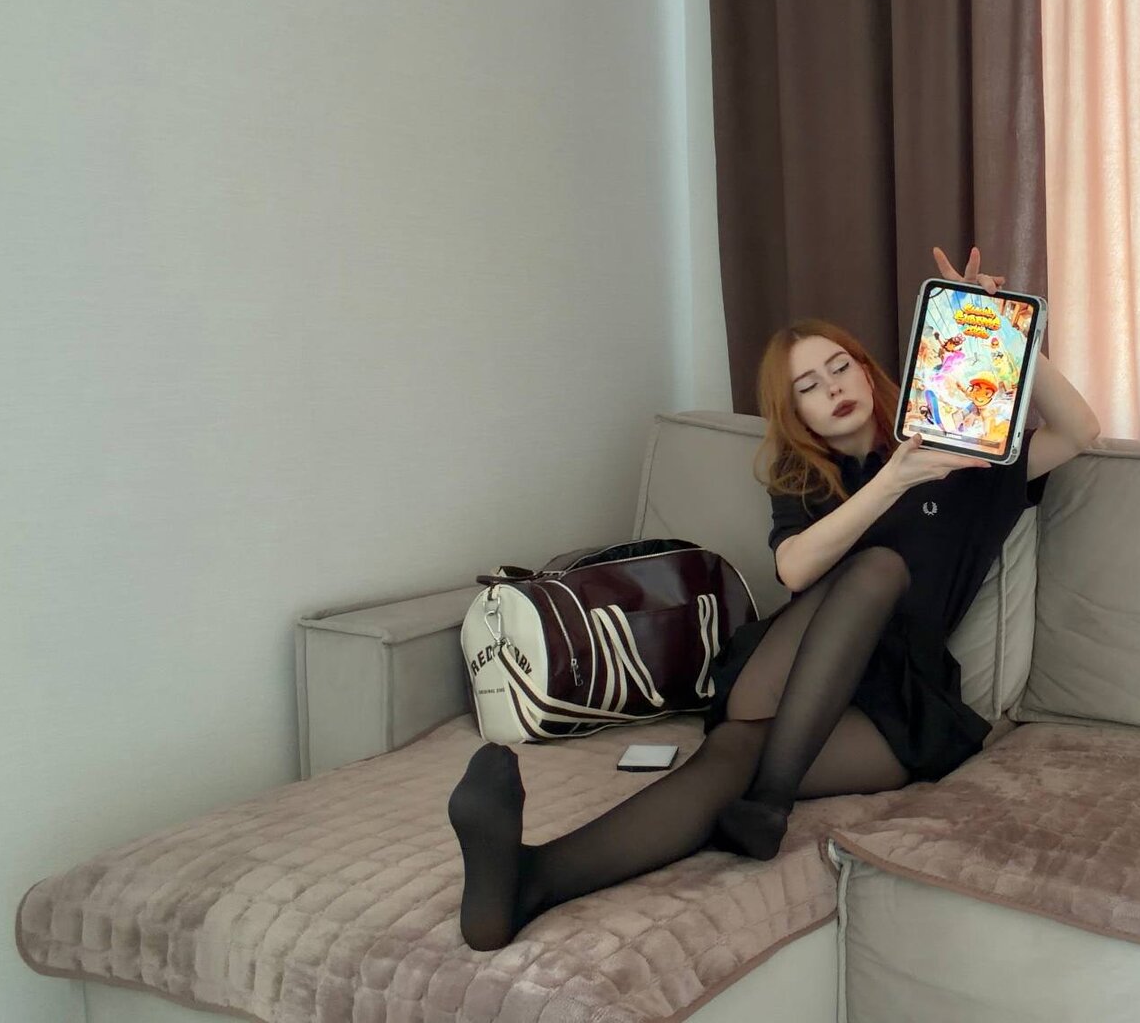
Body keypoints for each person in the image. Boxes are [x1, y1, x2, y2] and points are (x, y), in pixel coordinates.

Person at [445, 245, 1101, 951]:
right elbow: (795, 570)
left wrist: (1007, 331)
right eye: (809, 386)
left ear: (867, 368)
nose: (833, 388)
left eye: (840, 367)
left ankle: (570, 867)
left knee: (748, 737)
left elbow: (1079, 431)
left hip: (897, 703)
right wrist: (894, 479)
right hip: (796, 668)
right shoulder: (805, 478)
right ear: (798, 413)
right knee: (848, 601)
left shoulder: (968, 460)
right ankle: (568, 869)